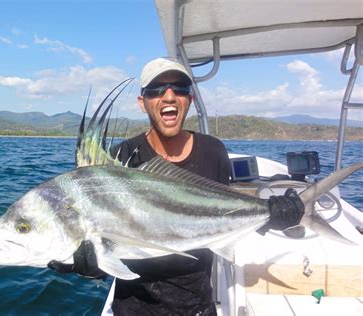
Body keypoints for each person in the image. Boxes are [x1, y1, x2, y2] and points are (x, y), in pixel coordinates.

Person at [49, 57, 305, 315]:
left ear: (189, 101)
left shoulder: (212, 150)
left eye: (179, 89)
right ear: (143, 103)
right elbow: (108, 237)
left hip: (197, 304)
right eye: (156, 90)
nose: (169, 96)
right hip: (134, 307)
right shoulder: (123, 157)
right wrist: (91, 268)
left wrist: (269, 217)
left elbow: (223, 211)